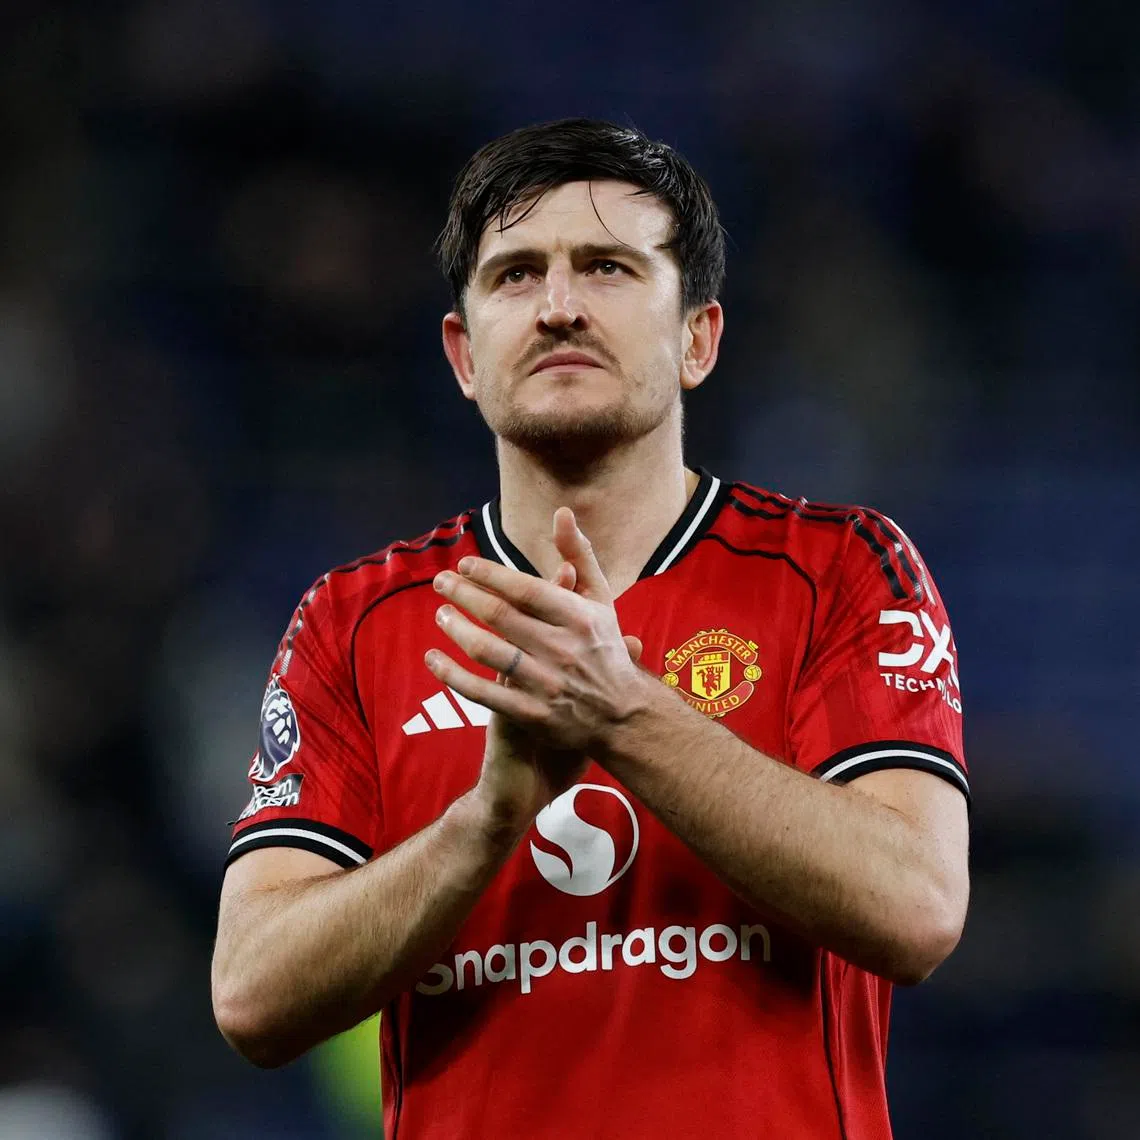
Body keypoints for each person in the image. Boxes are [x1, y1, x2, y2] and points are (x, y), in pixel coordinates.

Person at [211, 118, 970, 1139]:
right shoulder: (353, 623)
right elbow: (251, 994)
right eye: (516, 276)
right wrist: (484, 824)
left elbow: (917, 908)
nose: (559, 307)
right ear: (463, 354)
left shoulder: (842, 570)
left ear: (698, 337)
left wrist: (623, 713)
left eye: (607, 267)